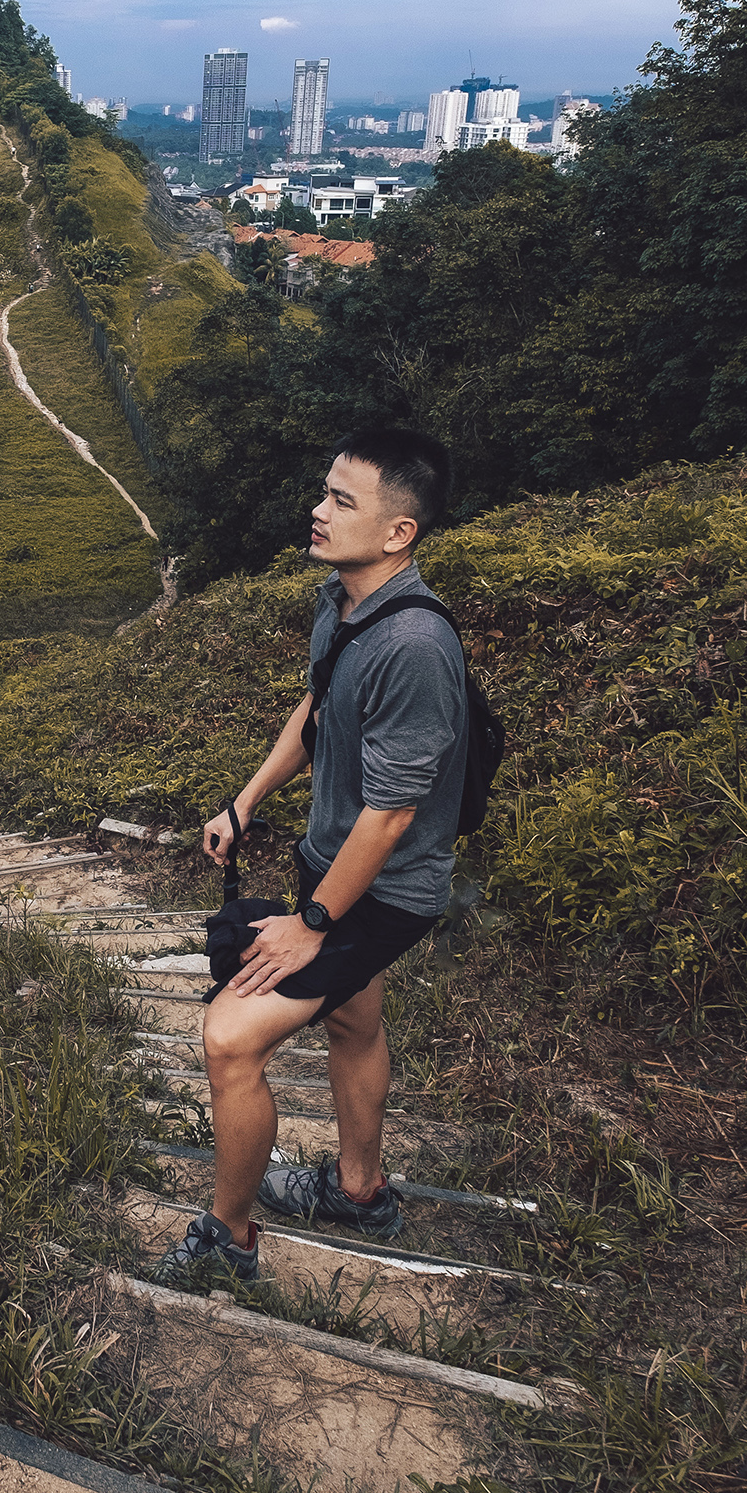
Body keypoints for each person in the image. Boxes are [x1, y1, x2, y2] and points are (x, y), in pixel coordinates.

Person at [156, 427, 467, 1286]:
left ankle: (230, 1236)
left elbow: (394, 815)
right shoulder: (341, 602)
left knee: (229, 1039)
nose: (318, 512)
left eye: (342, 501)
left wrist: (311, 923)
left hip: (384, 889)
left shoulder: (414, 648)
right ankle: (359, 1192)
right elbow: (316, 708)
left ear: (400, 532)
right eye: (324, 492)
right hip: (329, 861)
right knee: (352, 1019)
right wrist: (247, 800)